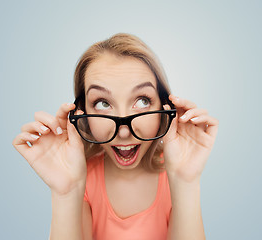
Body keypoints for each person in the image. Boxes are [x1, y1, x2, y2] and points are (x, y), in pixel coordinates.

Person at [12, 33, 218, 240]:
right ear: (82, 113)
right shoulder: (81, 178)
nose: (124, 131)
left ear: (165, 106)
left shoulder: (175, 173)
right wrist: (65, 192)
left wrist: (185, 182)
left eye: (142, 101)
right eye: (103, 103)